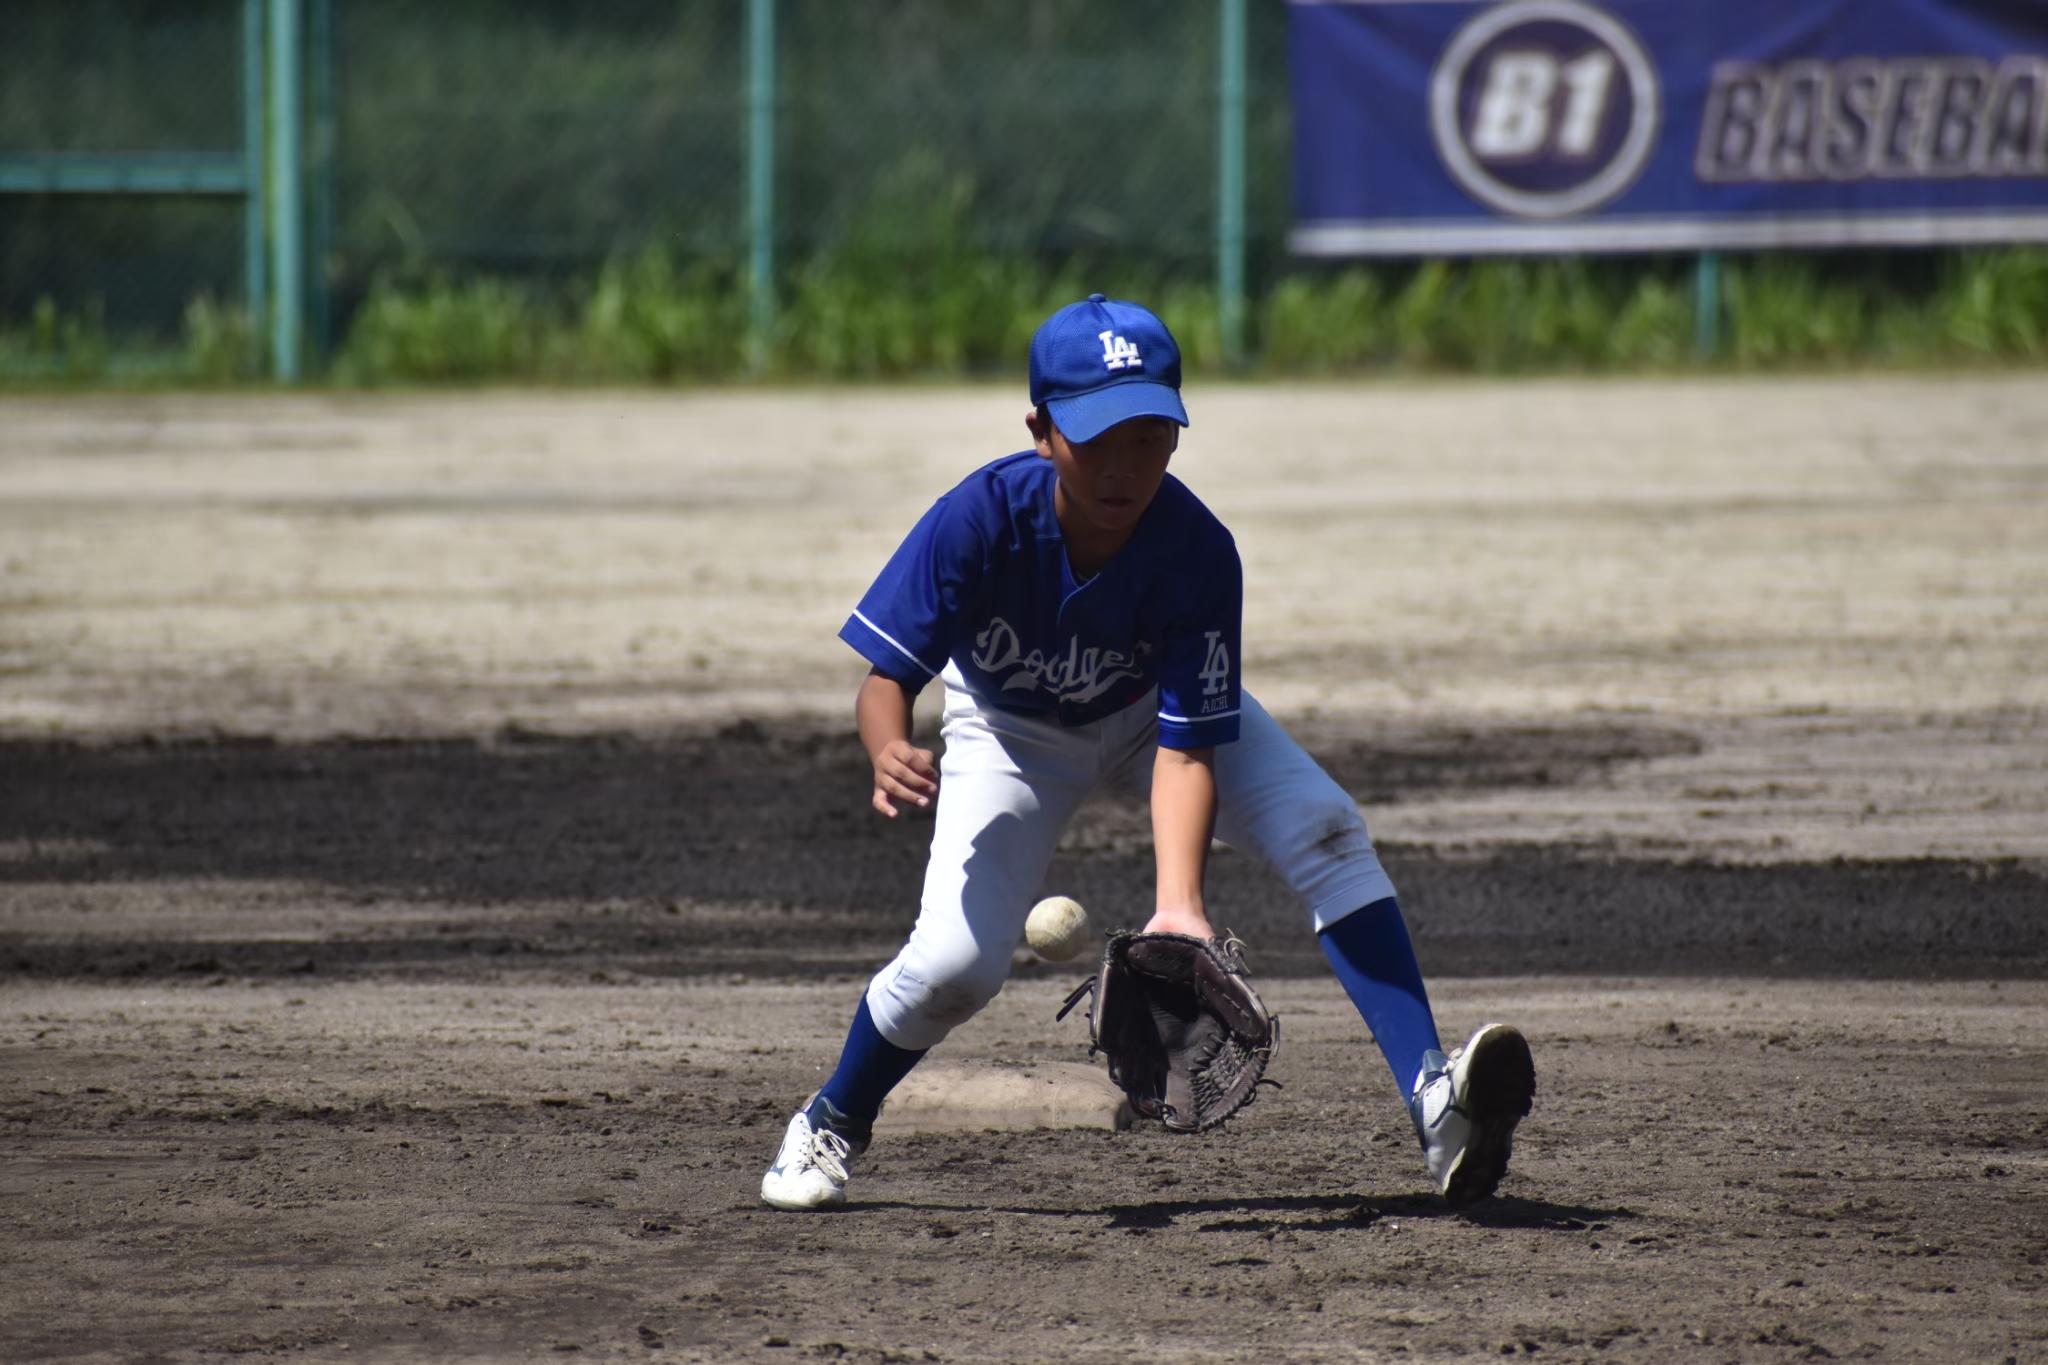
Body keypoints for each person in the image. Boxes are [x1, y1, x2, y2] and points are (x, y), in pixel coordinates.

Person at [761, 294, 1534, 1211]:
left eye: (1149, 436)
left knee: (1328, 828)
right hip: (1010, 731)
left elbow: (1187, 744)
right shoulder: (978, 519)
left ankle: (1435, 1104)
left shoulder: (1197, 549)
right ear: (1042, 432)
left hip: (1145, 714)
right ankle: (831, 1119)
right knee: (955, 967)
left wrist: (1179, 908)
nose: (1124, 466)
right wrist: (888, 744)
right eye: (1097, 438)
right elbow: (886, 676)